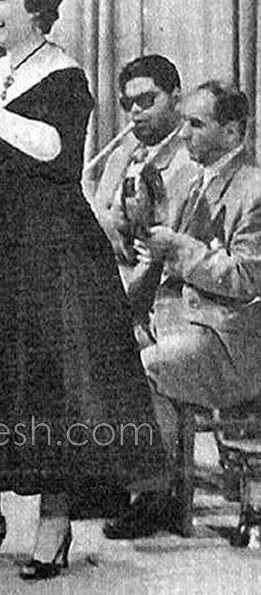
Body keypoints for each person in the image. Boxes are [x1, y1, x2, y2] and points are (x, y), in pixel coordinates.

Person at [0, 0, 164, 581]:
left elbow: (52, 150)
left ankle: (54, 523)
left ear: (35, 7)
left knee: (51, 383)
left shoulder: (65, 76)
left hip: (55, 241)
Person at [103, 82, 261, 538]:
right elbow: (164, 259)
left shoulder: (254, 190)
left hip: (234, 343)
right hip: (184, 323)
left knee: (141, 368)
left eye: (197, 124)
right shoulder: (197, 180)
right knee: (99, 349)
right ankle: (119, 482)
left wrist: (178, 248)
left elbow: (247, 279)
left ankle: (156, 496)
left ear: (232, 133)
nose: (185, 133)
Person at [88, 55, 196, 329]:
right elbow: (97, 226)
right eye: (128, 104)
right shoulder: (121, 155)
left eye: (147, 100)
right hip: (110, 280)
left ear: (176, 98)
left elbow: (161, 250)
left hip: (159, 300)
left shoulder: (190, 160)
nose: (135, 111)